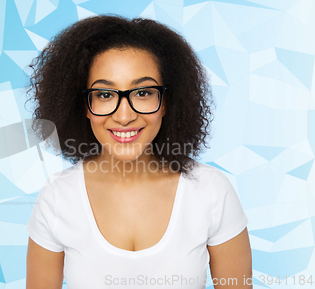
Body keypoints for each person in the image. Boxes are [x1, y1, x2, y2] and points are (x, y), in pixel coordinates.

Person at [25, 15, 252, 288]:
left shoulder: (212, 191)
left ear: (166, 101)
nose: (124, 116)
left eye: (143, 93)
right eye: (105, 95)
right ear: (85, 105)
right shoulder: (57, 197)